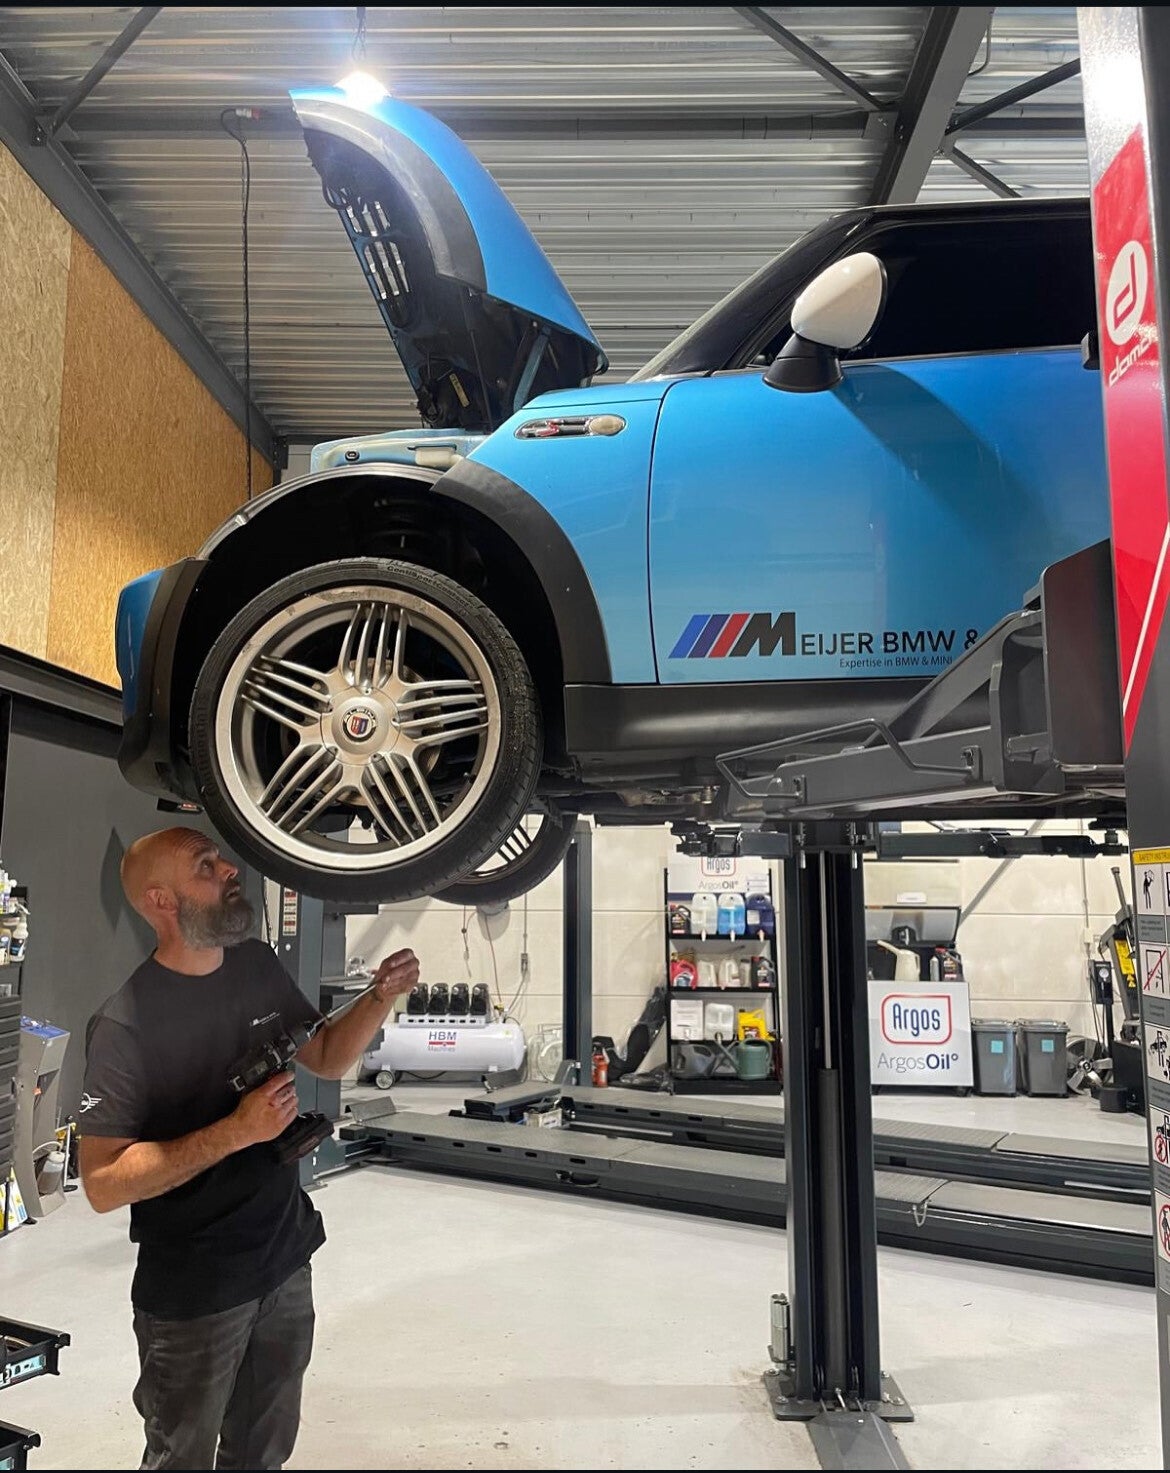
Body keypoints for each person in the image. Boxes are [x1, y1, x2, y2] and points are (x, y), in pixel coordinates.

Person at [78, 827, 420, 1471]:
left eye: (221, 859)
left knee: (263, 1454)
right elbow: (101, 1182)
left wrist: (379, 998)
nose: (229, 870)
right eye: (205, 866)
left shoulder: (256, 965)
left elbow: (326, 1055)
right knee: (181, 1458)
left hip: (284, 1260)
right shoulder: (125, 1024)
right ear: (161, 901)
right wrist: (237, 1131)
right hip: (196, 1292)